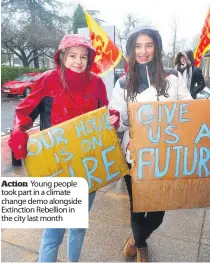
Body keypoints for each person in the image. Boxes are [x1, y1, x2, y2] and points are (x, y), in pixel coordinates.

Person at [8, 34, 108, 262]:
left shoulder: (97, 83)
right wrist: (18, 132)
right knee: (52, 233)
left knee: (78, 227)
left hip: (87, 166)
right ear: (62, 56)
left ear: (89, 59)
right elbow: (24, 112)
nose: (78, 61)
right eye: (72, 55)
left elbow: (104, 115)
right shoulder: (47, 81)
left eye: (83, 56)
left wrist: (111, 119)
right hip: (56, 168)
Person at [108, 25, 192, 262]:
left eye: (148, 45)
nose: (143, 51)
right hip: (135, 156)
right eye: (137, 46)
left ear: (156, 47)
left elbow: (188, 110)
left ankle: (135, 239)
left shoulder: (173, 77)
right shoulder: (123, 83)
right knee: (137, 207)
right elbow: (120, 122)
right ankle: (142, 246)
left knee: (157, 214)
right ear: (131, 50)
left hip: (164, 156)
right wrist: (117, 118)